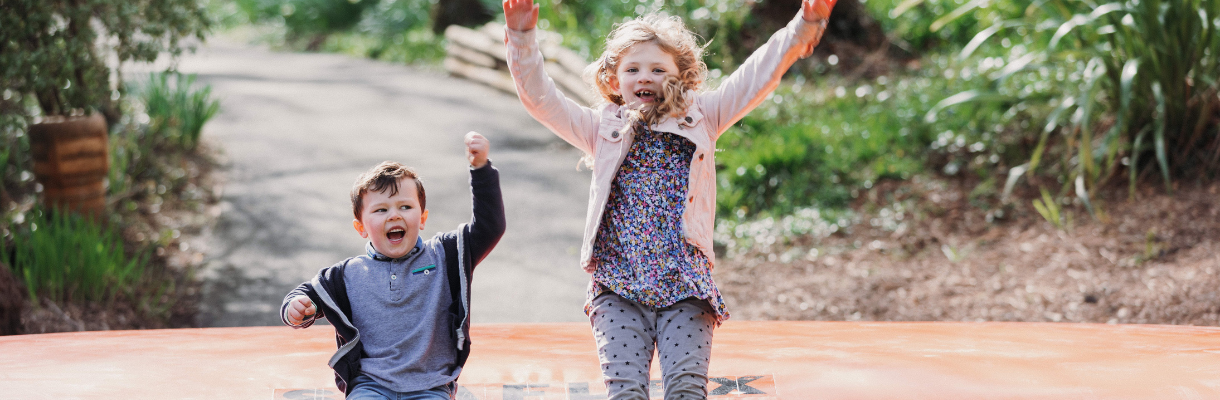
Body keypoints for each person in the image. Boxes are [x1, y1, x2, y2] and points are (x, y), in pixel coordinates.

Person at [502, 0, 836, 398]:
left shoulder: (704, 117)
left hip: (686, 286)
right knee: (625, 392)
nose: (646, 77)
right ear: (613, 79)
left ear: (682, 76)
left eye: (659, 69)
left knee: (685, 391)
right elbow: (541, 99)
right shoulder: (600, 129)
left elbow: (756, 75)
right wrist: (521, 37)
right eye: (633, 69)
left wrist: (804, 25)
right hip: (618, 287)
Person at [280, 132, 505, 399]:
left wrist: (480, 170)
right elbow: (305, 295)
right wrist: (297, 308)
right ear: (361, 228)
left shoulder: (445, 255)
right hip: (370, 385)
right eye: (381, 210)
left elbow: (490, 227)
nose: (394, 215)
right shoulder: (348, 275)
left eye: (405, 206)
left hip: (430, 385)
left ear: (422, 218)